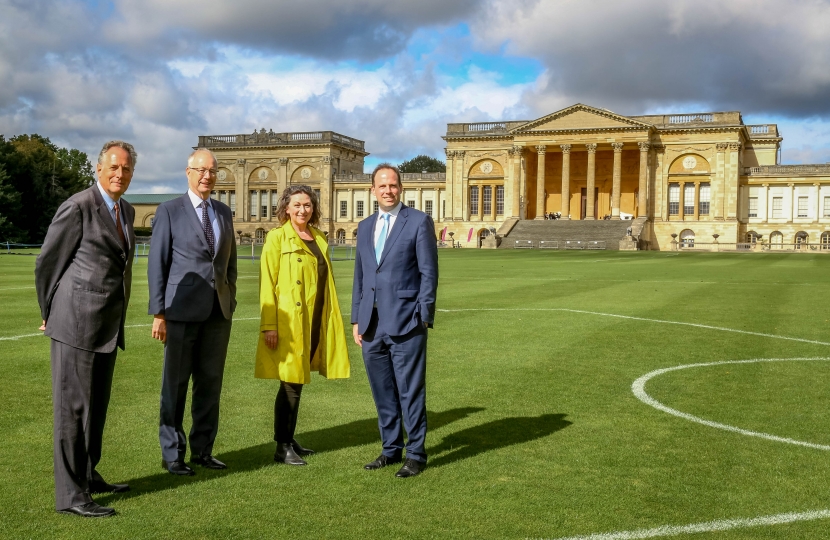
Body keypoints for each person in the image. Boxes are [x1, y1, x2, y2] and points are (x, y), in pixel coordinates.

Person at [34, 140, 137, 517]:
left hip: (106, 325)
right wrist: (50, 310)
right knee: (73, 412)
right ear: (98, 168)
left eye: (126, 168)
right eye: (113, 166)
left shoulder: (124, 209)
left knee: (95, 409)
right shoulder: (78, 206)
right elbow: (48, 263)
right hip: (75, 323)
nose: (119, 173)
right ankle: (72, 496)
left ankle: (88, 476)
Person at [148, 148, 237, 476]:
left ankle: (203, 450)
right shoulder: (169, 211)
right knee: (175, 384)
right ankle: (172, 454)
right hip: (180, 311)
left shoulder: (224, 212)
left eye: (212, 171)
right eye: (201, 170)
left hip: (218, 312)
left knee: (210, 384)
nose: (207, 176)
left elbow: (229, 264)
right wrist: (159, 312)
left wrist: (230, 297)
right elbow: (158, 264)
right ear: (188, 172)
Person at [351, 163, 438, 478]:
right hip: (371, 325)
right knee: (382, 390)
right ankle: (390, 450)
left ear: (401, 188)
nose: (388, 190)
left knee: (410, 390)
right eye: (382, 186)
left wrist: (424, 315)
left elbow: (429, 272)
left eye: (393, 185)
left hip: (407, 321)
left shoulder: (417, 221)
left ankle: (415, 453)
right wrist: (356, 319)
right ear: (372, 190)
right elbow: (361, 276)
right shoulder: (364, 226)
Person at [255, 185, 350, 465]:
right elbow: (267, 284)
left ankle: (289, 437)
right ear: (286, 207)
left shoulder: (318, 236)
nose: (302, 210)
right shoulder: (276, 238)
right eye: (296, 205)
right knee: (290, 383)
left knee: (298, 380)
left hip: (315, 318)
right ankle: (282, 446)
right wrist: (269, 325)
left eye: (307, 205)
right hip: (289, 322)